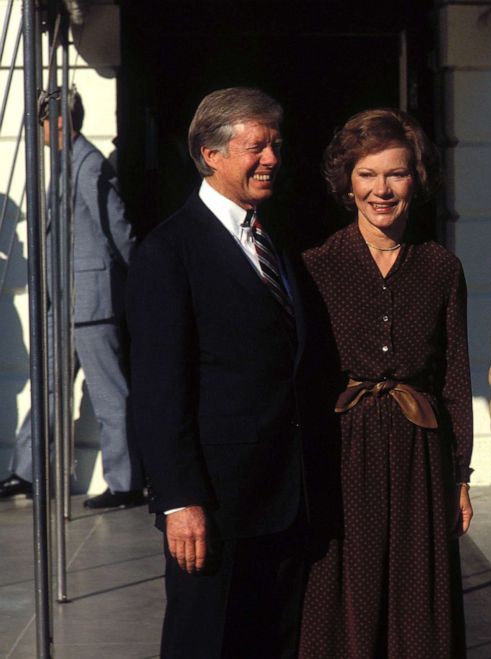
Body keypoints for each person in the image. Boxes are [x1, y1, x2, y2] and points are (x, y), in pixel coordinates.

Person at [127, 87, 308, 658]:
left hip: (282, 499)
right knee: (204, 643)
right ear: (211, 153)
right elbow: (159, 391)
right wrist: (180, 501)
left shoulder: (273, 240)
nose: (272, 159)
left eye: (276, 145)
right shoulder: (168, 251)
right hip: (214, 507)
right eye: (258, 146)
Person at [298, 108, 473, 659]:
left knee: (417, 591)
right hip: (342, 451)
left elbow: (454, 378)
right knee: (345, 590)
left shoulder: (441, 267)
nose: (381, 189)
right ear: (346, 182)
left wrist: (460, 476)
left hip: (420, 452)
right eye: (367, 174)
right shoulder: (316, 266)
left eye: (395, 173)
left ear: (415, 179)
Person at [0, 91, 142, 509]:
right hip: (62, 303)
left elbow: (117, 227)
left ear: (58, 122)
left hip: (90, 302)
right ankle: (26, 471)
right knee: (49, 387)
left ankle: (126, 482)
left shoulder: (87, 163)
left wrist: (136, 282)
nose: (38, 132)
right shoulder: (67, 162)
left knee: (109, 393)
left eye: (41, 123)